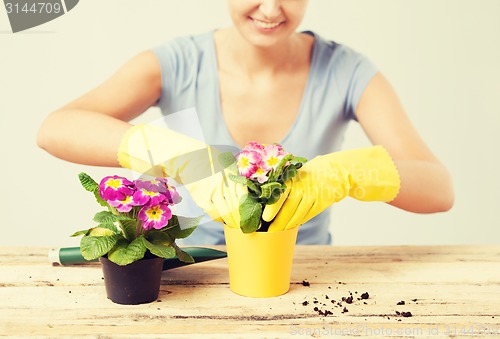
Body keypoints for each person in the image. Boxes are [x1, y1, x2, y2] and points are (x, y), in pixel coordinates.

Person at [37, 0, 454, 245]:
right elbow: (56, 128)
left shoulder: (346, 72)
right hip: (192, 276)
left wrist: (346, 173)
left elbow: (439, 188)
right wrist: (173, 153)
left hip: (309, 278)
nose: (271, 9)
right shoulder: (177, 63)